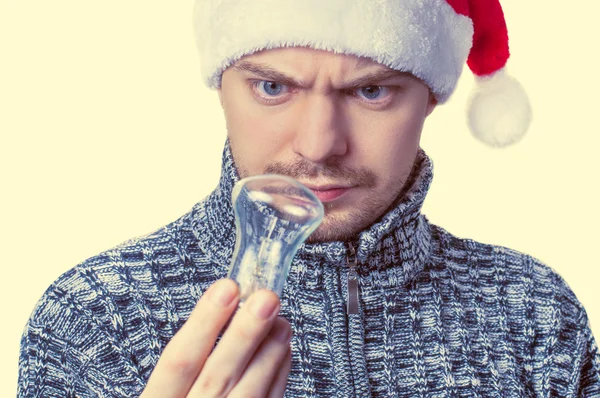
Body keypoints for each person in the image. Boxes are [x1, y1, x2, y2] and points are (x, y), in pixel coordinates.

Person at [17, 0, 600, 396]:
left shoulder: (533, 314)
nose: (319, 145)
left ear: (431, 97)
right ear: (221, 83)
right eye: (273, 87)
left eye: (371, 91)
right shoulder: (94, 317)